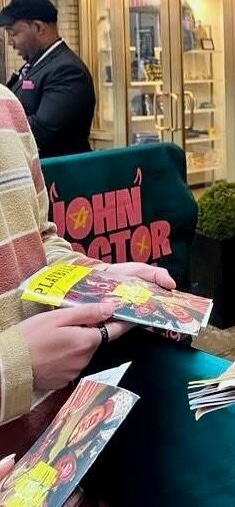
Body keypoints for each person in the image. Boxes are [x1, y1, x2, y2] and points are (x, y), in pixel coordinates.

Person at [0, 83, 175, 459]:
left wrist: (95, 281)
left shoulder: (6, 105)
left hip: (54, 450)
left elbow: (40, 239)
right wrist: (15, 366)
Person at [0, 0, 95, 157]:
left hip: (58, 170)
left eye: (13, 33)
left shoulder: (68, 71)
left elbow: (40, 129)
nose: (10, 42)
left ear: (38, 27)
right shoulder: (35, 66)